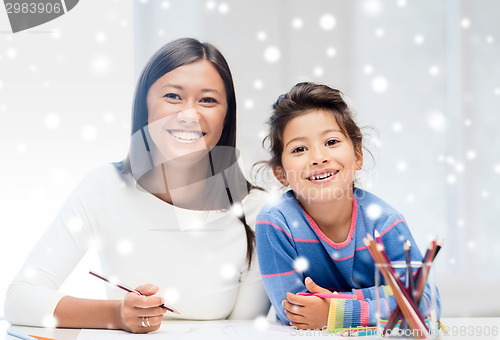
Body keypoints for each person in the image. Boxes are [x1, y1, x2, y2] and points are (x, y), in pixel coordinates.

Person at [4, 38, 270, 333]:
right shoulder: (103, 187)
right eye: (172, 96)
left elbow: (246, 332)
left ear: (225, 117)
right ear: (145, 106)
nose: (189, 114)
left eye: (208, 100)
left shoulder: (258, 212)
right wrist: (115, 315)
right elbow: (19, 298)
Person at [255, 82, 441, 331]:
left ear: (357, 156)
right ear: (281, 173)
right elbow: (294, 310)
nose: (318, 157)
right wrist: (383, 294)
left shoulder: (385, 223)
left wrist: (337, 311)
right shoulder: (276, 221)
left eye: (331, 142)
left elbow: (425, 303)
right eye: (299, 149)